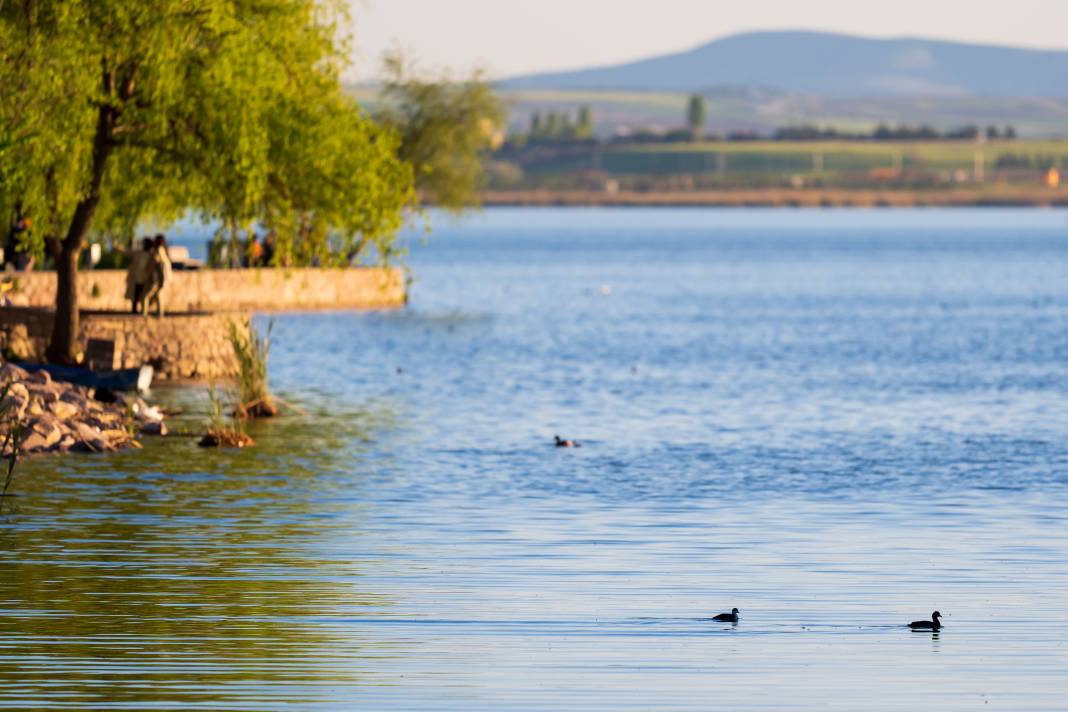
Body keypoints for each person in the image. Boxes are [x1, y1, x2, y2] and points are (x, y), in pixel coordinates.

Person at [141, 234, 173, 317]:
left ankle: (144, 314)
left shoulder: (158, 250)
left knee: (145, 295)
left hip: (157, 278)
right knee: (159, 295)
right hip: (161, 278)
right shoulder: (163, 250)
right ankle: (160, 313)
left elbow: (154, 262)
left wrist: (147, 274)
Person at [125, 237, 153, 314]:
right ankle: (137, 310)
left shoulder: (149, 255)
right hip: (138, 278)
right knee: (136, 295)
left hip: (143, 278)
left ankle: (143, 311)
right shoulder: (140, 253)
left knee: (142, 295)